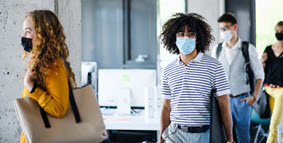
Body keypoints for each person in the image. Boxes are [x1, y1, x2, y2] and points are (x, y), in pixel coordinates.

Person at [159, 13, 233, 143]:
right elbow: (166, 106)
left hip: (204, 134)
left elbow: (224, 104)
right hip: (175, 134)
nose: (185, 37)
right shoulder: (168, 70)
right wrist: (161, 137)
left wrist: (229, 137)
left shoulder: (214, 66)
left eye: (191, 34)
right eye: (181, 34)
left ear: (197, 38)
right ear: (174, 38)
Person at [20, 10, 76, 143]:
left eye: (28, 31)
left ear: (43, 34)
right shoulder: (39, 61)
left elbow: (59, 109)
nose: (23, 36)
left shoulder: (53, 65)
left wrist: (31, 87)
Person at [211, 13, 264, 143]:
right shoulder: (217, 50)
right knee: (224, 136)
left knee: (243, 137)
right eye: (221, 29)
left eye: (226, 28)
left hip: (242, 100)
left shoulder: (248, 48)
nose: (223, 32)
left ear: (235, 26)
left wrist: (254, 97)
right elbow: (212, 76)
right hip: (223, 100)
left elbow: (259, 75)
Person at [261, 21, 283, 143]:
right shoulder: (269, 49)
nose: (279, 33)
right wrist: (262, 62)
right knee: (277, 122)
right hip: (269, 88)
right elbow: (262, 71)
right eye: (277, 31)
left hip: (282, 91)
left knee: (277, 123)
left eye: (281, 31)